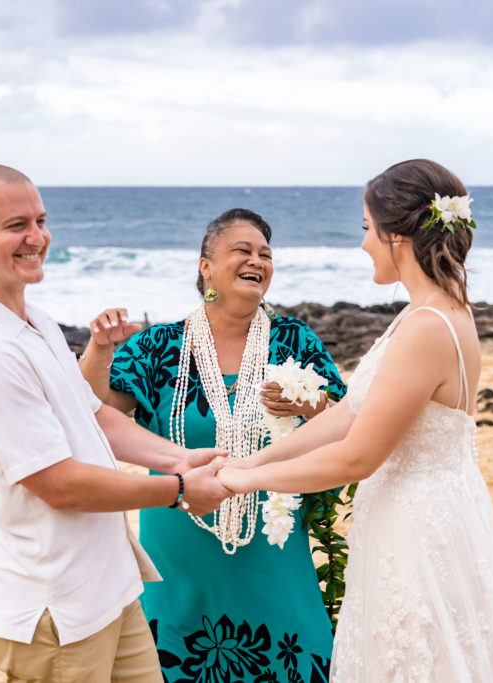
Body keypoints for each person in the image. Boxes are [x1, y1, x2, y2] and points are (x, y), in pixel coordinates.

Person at [217, 160, 493, 681]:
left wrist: (242, 482)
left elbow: (358, 455)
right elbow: (348, 413)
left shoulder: (428, 326)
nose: (364, 243)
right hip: (420, 512)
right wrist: (254, 458)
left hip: (419, 525)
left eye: (367, 229)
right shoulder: (426, 312)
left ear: (396, 234)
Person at [0, 163, 231, 682]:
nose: (37, 238)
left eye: (41, 220)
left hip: (110, 587)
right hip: (55, 610)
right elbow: (59, 485)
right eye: (15, 225)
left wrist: (178, 458)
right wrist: (180, 489)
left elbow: (92, 415)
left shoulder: (36, 320)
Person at [78, 208, 347, 682]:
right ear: (206, 267)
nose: (257, 260)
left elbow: (349, 423)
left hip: (271, 544)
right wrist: (100, 348)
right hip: (178, 544)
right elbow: (92, 409)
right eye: (242, 250)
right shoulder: (160, 346)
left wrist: (309, 404)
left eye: (265, 254)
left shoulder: (294, 341)